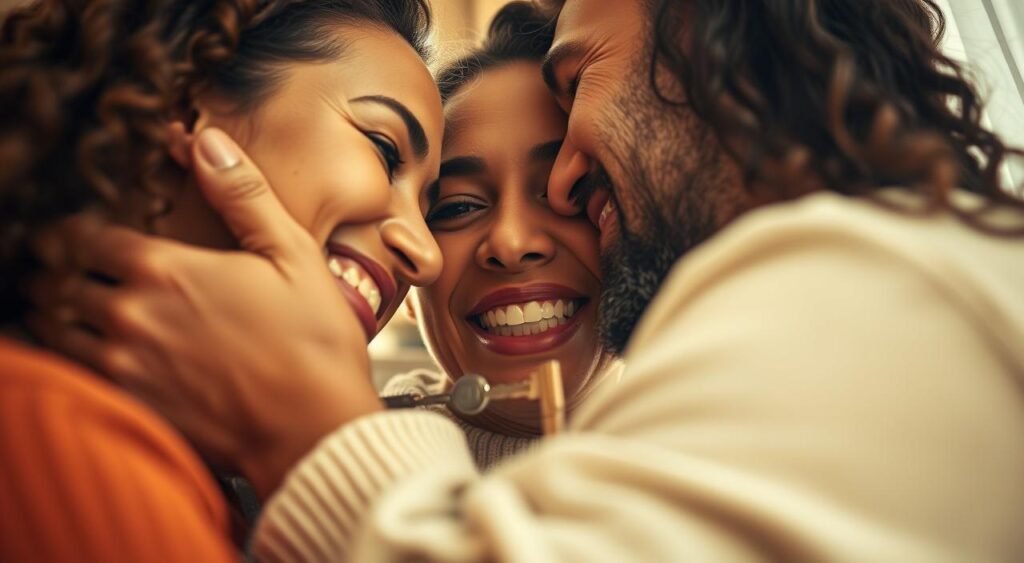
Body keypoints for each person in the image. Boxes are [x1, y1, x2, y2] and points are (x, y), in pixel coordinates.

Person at [27, 0, 1024, 561]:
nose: (522, 221)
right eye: (444, 195)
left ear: (721, 49)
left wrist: (312, 428)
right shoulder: (57, 429)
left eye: (578, 77)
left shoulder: (873, 295)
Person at [0, 0, 443, 560]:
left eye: (437, 207)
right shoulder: (50, 435)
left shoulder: (223, 490)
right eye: (384, 150)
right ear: (182, 108)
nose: (428, 257)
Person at [382, 2, 618, 468]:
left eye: (566, 190)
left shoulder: (748, 453)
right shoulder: (327, 476)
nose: (511, 243)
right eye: (458, 207)